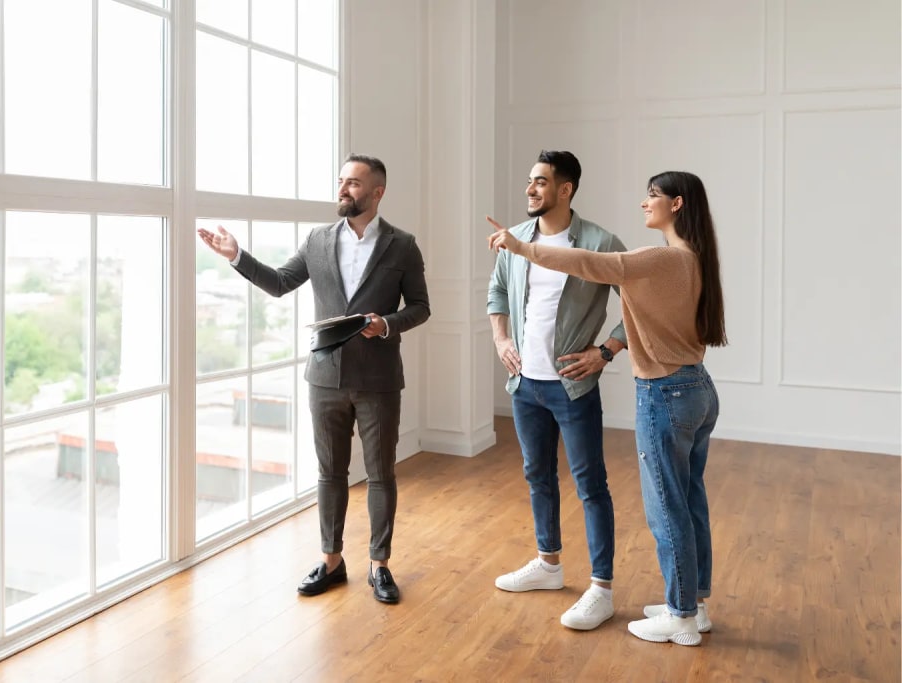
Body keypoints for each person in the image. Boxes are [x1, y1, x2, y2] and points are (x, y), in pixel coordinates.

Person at [488, 170, 727, 646]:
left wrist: (522, 247)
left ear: (677, 205)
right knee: (689, 500)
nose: (644, 203)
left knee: (667, 510)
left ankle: (680, 617)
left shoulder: (659, 259)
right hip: (696, 387)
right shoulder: (692, 259)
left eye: (652, 196)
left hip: (665, 393)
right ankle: (694, 605)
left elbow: (588, 262)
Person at [198, 154, 430, 604]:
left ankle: (379, 565)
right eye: (341, 180)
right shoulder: (318, 240)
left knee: (381, 473)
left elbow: (420, 307)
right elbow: (281, 281)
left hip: (379, 378)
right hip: (324, 378)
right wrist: (237, 257)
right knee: (330, 473)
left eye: (354, 183)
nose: (343, 189)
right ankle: (331, 560)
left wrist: (386, 324)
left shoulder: (402, 245)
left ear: (377, 192)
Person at [486, 150, 628, 631]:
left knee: (591, 486)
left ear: (565, 190)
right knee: (537, 476)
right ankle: (548, 565)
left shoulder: (599, 242)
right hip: (525, 385)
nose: (530, 189)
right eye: (529, 181)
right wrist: (501, 338)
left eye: (541, 182)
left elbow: (638, 299)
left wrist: (606, 351)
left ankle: (602, 589)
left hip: (574, 387)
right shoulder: (517, 238)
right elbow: (497, 292)